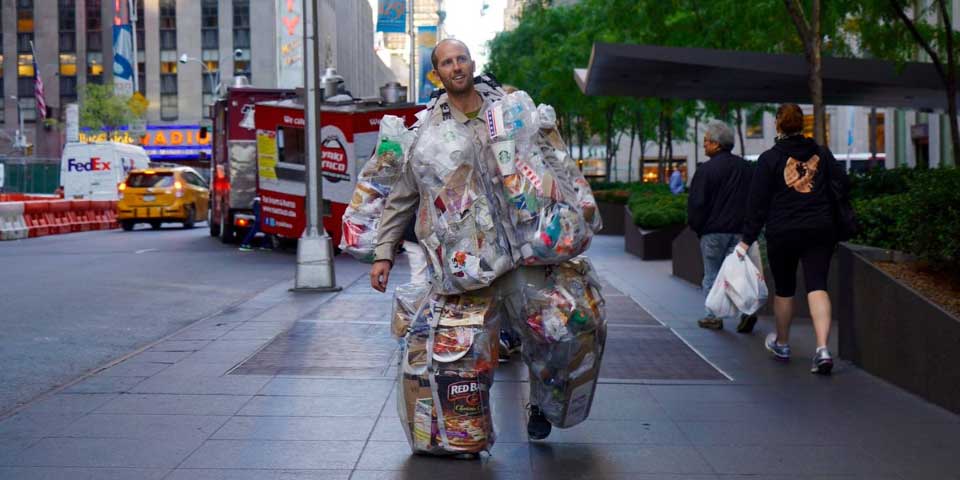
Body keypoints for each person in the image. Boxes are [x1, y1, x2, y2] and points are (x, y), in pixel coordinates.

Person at [369, 38, 554, 440]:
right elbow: (403, 194)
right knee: (469, 348)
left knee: (540, 331)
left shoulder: (504, 112)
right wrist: (383, 252)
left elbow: (542, 164)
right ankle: (469, 427)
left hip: (520, 249)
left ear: (472, 63)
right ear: (438, 73)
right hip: (465, 262)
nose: (456, 67)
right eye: (447, 63)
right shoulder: (427, 129)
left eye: (461, 59)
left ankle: (540, 403)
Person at [739, 103, 848, 375]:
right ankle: (822, 349)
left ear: (778, 125)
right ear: (803, 124)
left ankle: (783, 343)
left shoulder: (768, 159)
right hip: (819, 229)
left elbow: (757, 204)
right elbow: (843, 184)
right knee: (817, 285)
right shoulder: (822, 154)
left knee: (785, 289)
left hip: (782, 231)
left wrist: (746, 239)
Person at [687, 120, 756, 332]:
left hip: (712, 232)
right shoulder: (746, 168)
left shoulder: (705, 170)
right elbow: (755, 199)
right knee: (738, 274)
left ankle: (713, 316)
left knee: (712, 274)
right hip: (740, 232)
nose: (704, 145)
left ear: (717, 144)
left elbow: (697, 203)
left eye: (706, 141)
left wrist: (698, 228)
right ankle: (748, 312)